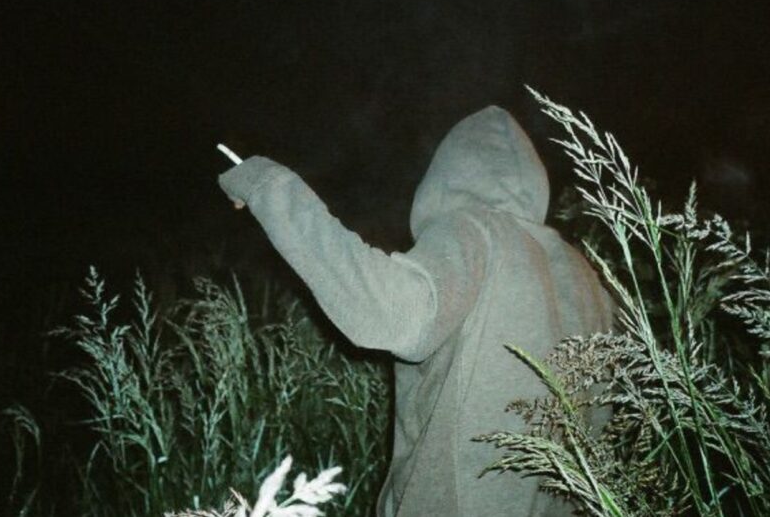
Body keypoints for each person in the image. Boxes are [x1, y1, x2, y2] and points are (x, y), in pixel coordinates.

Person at [219, 106, 615, 516]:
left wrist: (268, 186)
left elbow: (388, 316)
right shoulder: (586, 278)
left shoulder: (476, 232)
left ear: (446, 176)